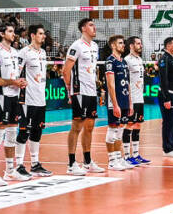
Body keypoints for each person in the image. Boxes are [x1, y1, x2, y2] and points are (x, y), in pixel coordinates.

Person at [0, 22, 25, 185]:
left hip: (14, 97)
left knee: (11, 135)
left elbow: (14, 75)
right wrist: (12, 82)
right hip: (2, 97)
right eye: (9, 31)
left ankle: (9, 171)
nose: (13, 34)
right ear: (2, 34)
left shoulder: (15, 52)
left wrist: (20, 82)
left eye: (13, 31)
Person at [62, 18, 101, 174]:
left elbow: (93, 68)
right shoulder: (76, 46)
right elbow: (66, 70)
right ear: (83, 28)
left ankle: (87, 162)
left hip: (91, 91)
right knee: (77, 126)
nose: (94, 27)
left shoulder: (95, 46)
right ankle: (71, 164)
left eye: (94, 25)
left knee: (89, 127)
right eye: (91, 25)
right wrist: (70, 91)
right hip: (79, 91)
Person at [12, 24, 52, 179]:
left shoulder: (43, 52)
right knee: (24, 132)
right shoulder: (24, 52)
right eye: (40, 33)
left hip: (40, 99)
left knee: (37, 131)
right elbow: (16, 72)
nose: (43, 36)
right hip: (27, 99)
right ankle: (19, 165)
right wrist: (18, 83)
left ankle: (35, 164)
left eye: (43, 33)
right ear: (33, 35)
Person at [103, 35, 131, 169]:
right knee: (113, 129)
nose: (123, 45)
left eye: (123, 43)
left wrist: (130, 103)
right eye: (120, 43)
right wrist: (115, 104)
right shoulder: (110, 61)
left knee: (120, 130)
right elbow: (110, 84)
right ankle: (112, 161)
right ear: (113, 45)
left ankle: (119, 158)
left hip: (125, 100)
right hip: (115, 101)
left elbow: (128, 83)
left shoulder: (124, 61)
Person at [124, 35, 149, 165]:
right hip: (131, 98)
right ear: (131, 46)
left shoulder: (139, 59)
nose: (141, 45)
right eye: (138, 43)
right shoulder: (126, 60)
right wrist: (128, 101)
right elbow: (125, 81)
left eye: (141, 43)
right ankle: (126, 156)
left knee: (138, 124)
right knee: (129, 125)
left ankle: (136, 154)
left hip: (140, 98)